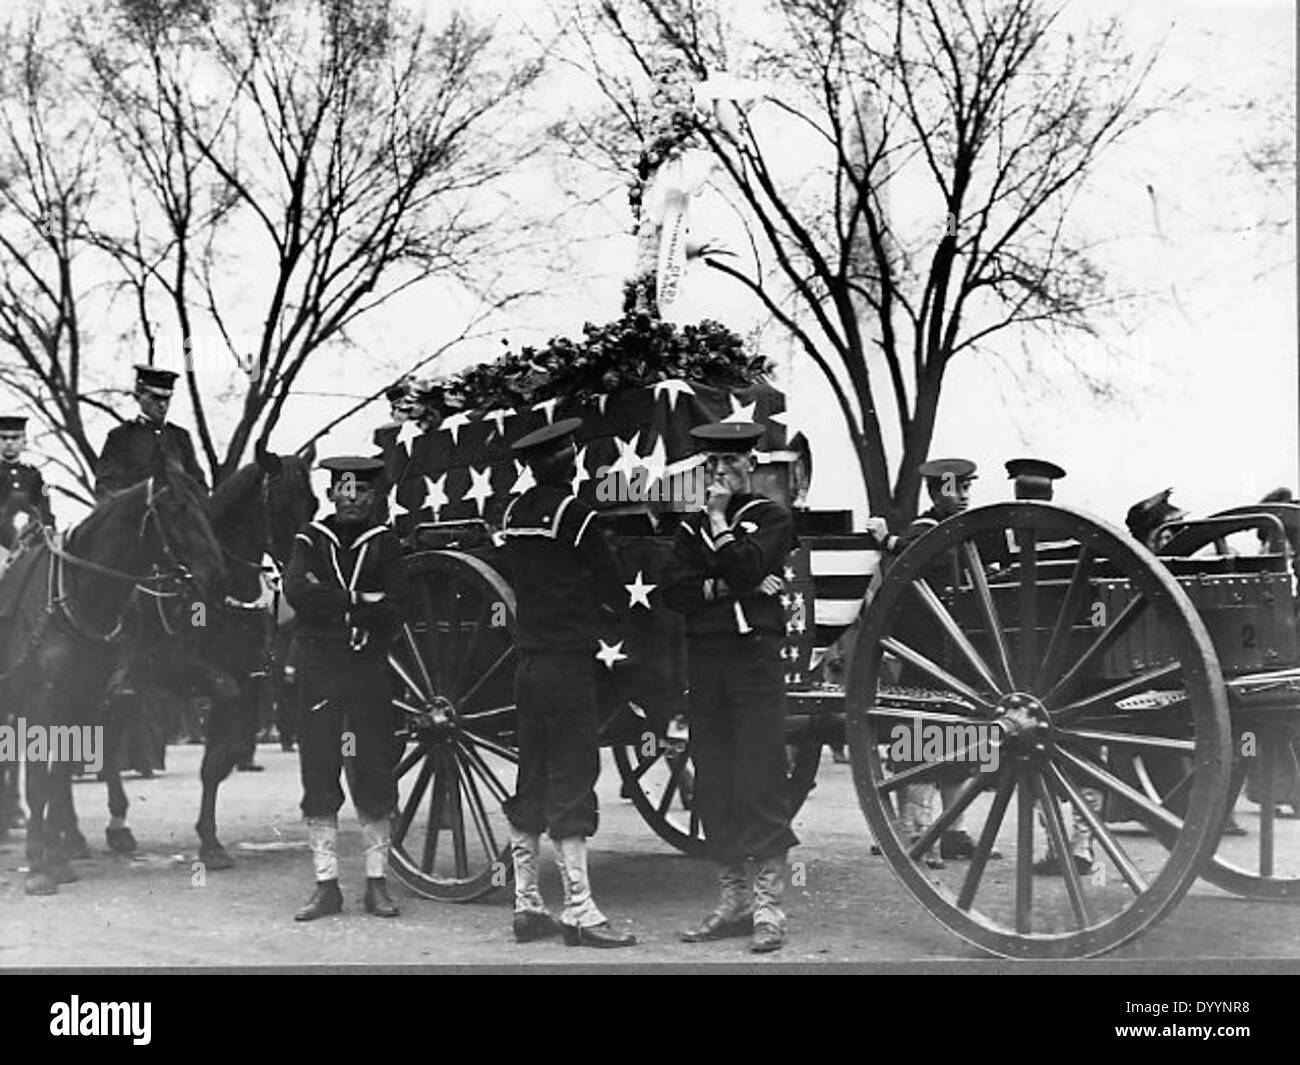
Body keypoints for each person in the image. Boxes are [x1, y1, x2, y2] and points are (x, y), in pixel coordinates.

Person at [662, 421, 799, 953]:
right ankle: (733, 901)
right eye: (710, 466)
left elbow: (747, 561)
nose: (718, 474)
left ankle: (769, 908)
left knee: (760, 774)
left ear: (751, 465)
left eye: (728, 464)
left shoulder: (771, 518)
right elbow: (675, 589)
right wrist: (727, 584)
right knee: (714, 778)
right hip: (707, 660)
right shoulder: (688, 528)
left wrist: (720, 525)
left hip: (754, 661)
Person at [500, 417, 636, 948]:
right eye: (572, 451)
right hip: (569, 666)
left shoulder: (513, 514)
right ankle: (579, 910)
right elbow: (608, 578)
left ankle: (527, 905)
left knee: (530, 779)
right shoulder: (575, 515)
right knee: (573, 779)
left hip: (528, 666)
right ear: (567, 461)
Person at [284, 456, 407, 921]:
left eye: (361, 491)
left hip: (369, 668)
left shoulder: (386, 543)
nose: (352, 498)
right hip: (320, 667)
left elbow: (397, 608)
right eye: (343, 489)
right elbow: (296, 591)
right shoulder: (310, 539)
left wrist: (329, 601)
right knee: (319, 768)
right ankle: (325, 885)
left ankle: (377, 883)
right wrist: (358, 600)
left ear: (374, 497)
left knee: (375, 768)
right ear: (331, 493)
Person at [866, 457, 1004, 866]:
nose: (962, 497)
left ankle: (954, 833)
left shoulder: (959, 531)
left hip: (960, 657)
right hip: (926, 655)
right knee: (921, 743)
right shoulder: (924, 533)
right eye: (953, 489)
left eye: (966, 489)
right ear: (934, 492)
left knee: (962, 743)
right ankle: (916, 834)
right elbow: (924, 556)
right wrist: (888, 541)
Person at [94, 365, 209, 499]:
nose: (162, 405)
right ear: (139, 396)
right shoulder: (121, 436)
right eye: (155, 398)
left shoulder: (180, 437)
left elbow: (198, 484)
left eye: (167, 399)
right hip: (136, 514)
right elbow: (107, 487)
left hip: (179, 514)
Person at [0, 414, 55, 555]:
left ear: (24, 442)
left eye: (15, 438)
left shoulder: (35, 475)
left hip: (31, 541)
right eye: (3, 438)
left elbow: (44, 502)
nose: (9, 443)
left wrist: (48, 526)